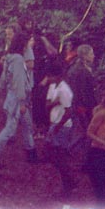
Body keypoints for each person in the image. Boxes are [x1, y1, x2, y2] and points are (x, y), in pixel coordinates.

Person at [0, 32, 37, 167]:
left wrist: (4, 91)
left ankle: (31, 151)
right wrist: (22, 102)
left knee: (27, 124)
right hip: (18, 98)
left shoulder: (9, 58)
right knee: (10, 128)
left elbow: (3, 80)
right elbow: (19, 82)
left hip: (14, 95)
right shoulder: (17, 60)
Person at [41, 60, 76, 197]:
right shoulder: (54, 86)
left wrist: (58, 127)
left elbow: (68, 112)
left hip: (61, 126)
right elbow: (47, 105)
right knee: (53, 153)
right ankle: (69, 181)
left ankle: (68, 185)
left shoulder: (64, 89)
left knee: (60, 156)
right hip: (55, 123)